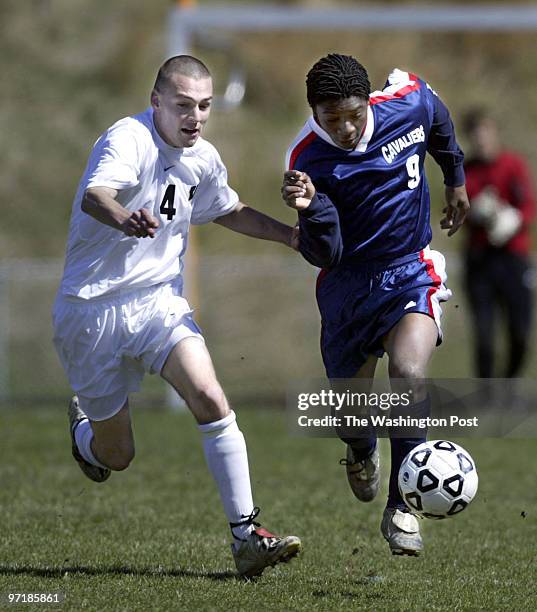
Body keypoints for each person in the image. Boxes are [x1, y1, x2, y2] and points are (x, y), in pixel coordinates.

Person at [52, 55, 302, 579]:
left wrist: (291, 237)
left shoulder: (202, 158)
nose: (195, 117)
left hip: (158, 302)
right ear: (156, 102)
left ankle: (247, 536)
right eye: (184, 105)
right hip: (90, 312)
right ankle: (84, 436)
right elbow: (97, 196)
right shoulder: (129, 138)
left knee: (210, 397)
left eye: (204, 106)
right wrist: (125, 218)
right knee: (116, 456)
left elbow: (228, 209)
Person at [282, 54, 469, 556]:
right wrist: (313, 210)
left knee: (409, 371)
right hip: (347, 287)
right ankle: (361, 449)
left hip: (410, 269)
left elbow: (437, 115)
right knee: (352, 415)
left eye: (354, 115)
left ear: (368, 103)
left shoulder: (407, 102)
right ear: (314, 114)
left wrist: (455, 176)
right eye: (331, 119)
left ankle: (403, 505)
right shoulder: (305, 159)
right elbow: (324, 254)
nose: (344, 128)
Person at [462, 108, 535, 378]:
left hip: (513, 259)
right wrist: (475, 212)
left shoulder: (513, 165)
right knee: (484, 333)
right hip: (480, 260)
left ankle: (509, 382)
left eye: (486, 131)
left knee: (520, 330)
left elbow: (528, 206)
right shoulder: (466, 171)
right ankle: (486, 391)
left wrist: (513, 219)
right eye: (476, 133)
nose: (482, 138)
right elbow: (460, 209)